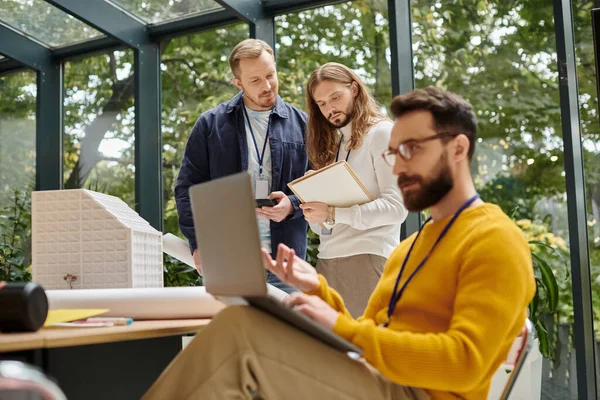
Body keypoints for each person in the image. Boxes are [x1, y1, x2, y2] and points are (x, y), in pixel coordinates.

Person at [143, 87, 536, 400]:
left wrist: (345, 330)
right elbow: (369, 330)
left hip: (417, 392)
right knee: (251, 331)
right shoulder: (410, 246)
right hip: (380, 378)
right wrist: (318, 290)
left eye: (412, 149)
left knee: (242, 335)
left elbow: (464, 363)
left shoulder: (495, 240)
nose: (397, 166)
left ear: (458, 148)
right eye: (393, 153)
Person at [174, 39, 308, 293]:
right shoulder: (209, 125)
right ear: (238, 83)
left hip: (288, 264)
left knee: (283, 334)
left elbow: (318, 186)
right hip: (228, 262)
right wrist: (198, 243)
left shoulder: (304, 125)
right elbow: (187, 189)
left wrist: (292, 204)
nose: (268, 86)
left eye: (270, 75)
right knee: (236, 334)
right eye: (256, 80)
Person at [300, 62, 407, 317]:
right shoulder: (339, 146)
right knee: (326, 355)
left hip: (367, 259)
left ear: (355, 89)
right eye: (322, 103)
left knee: (365, 354)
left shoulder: (382, 133)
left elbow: (397, 207)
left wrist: (334, 213)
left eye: (335, 97)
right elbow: (323, 226)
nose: (330, 108)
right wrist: (316, 207)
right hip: (327, 262)